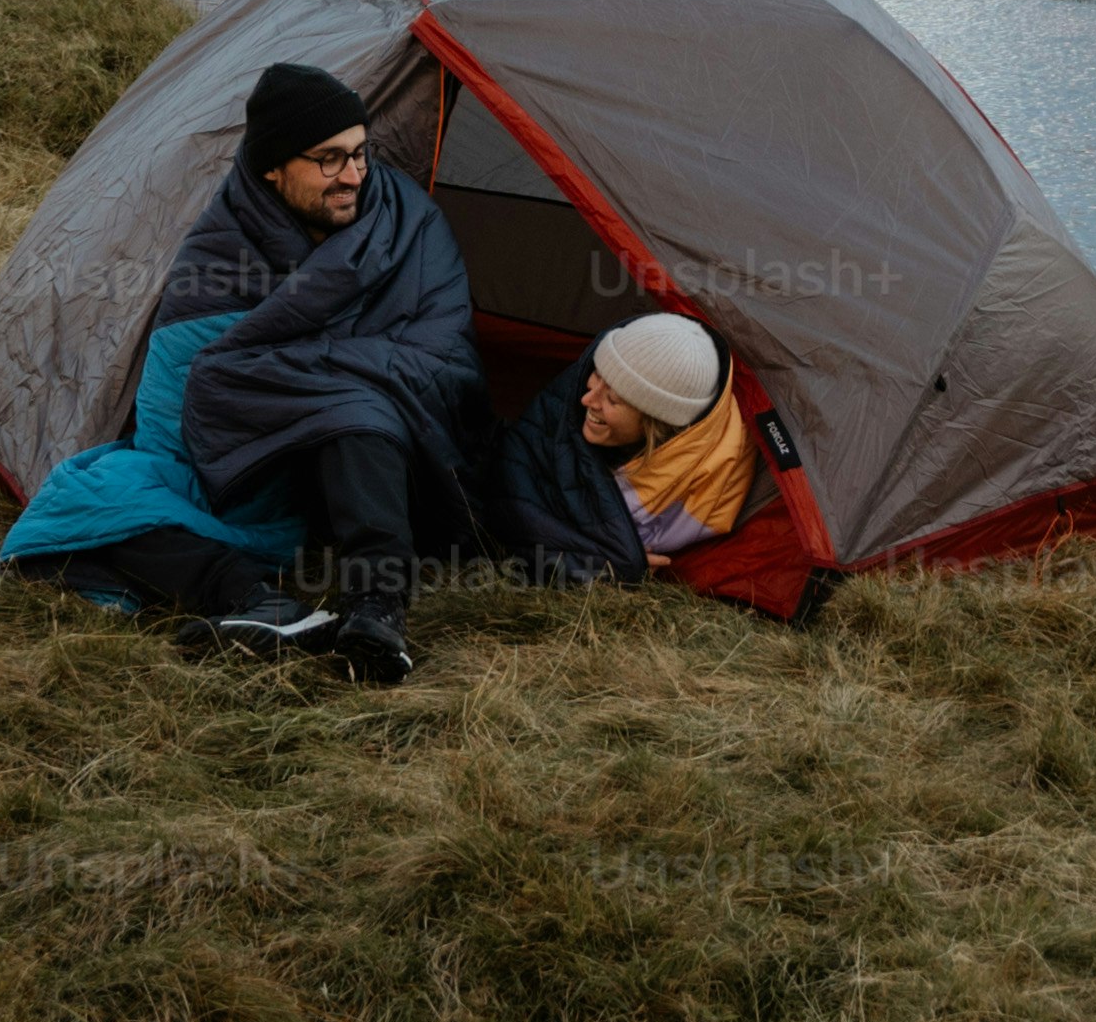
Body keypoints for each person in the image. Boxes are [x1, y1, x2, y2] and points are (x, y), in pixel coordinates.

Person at [111, 61, 485, 681]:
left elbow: (439, 355)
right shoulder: (221, 248)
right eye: (329, 159)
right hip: (252, 459)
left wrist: (314, 377)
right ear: (272, 168)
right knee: (95, 497)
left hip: (379, 459)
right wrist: (287, 390)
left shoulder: (406, 222)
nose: (354, 177)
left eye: (361, 154)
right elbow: (181, 392)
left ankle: (377, 605)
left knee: (355, 412)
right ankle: (262, 605)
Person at [485, 310, 758, 587]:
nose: (587, 398)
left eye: (613, 400)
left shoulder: (709, 476)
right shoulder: (579, 391)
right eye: (597, 374)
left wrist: (613, 560)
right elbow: (513, 482)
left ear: (656, 423)